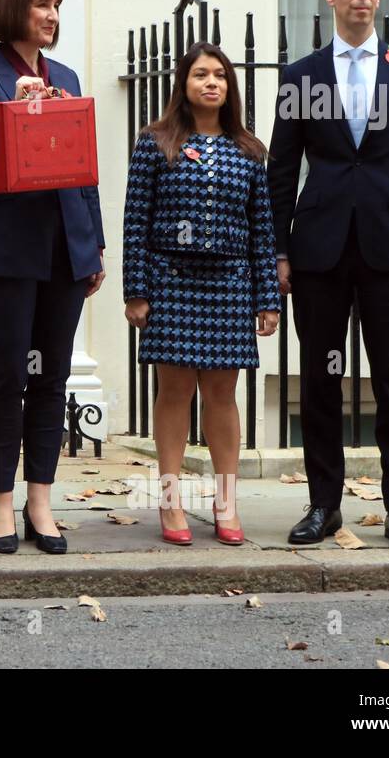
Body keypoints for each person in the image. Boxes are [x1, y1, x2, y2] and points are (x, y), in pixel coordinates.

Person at [269, 0, 389, 553]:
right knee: (320, 381)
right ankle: (324, 506)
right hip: (318, 250)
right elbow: (280, 169)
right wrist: (277, 251)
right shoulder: (301, 76)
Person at [0, 0, 106, 555]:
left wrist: (93, 245)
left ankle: (41, 499)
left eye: (57, 7)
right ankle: (0, 503)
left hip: (65, 250)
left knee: (52, 376)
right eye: (42, 6)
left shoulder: (64, 76)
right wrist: (9, 112)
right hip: (6, 252)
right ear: (14, 10)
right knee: (7, 374)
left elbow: (84, 167)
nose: (52, 17)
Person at [123, 42, 279, 546]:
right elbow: (135, 222)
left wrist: (267, 298)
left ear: (229, 88)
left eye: (219, 76)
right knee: (173, 392)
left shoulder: (250, 150)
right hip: (170, 282)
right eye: (200, 75)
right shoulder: (155, 143)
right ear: (184, 85)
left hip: (230, 285)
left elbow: (262, 230)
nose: (211, 83)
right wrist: (137, 291)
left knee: (221, 394)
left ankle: (226, 500)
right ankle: (170, 500)